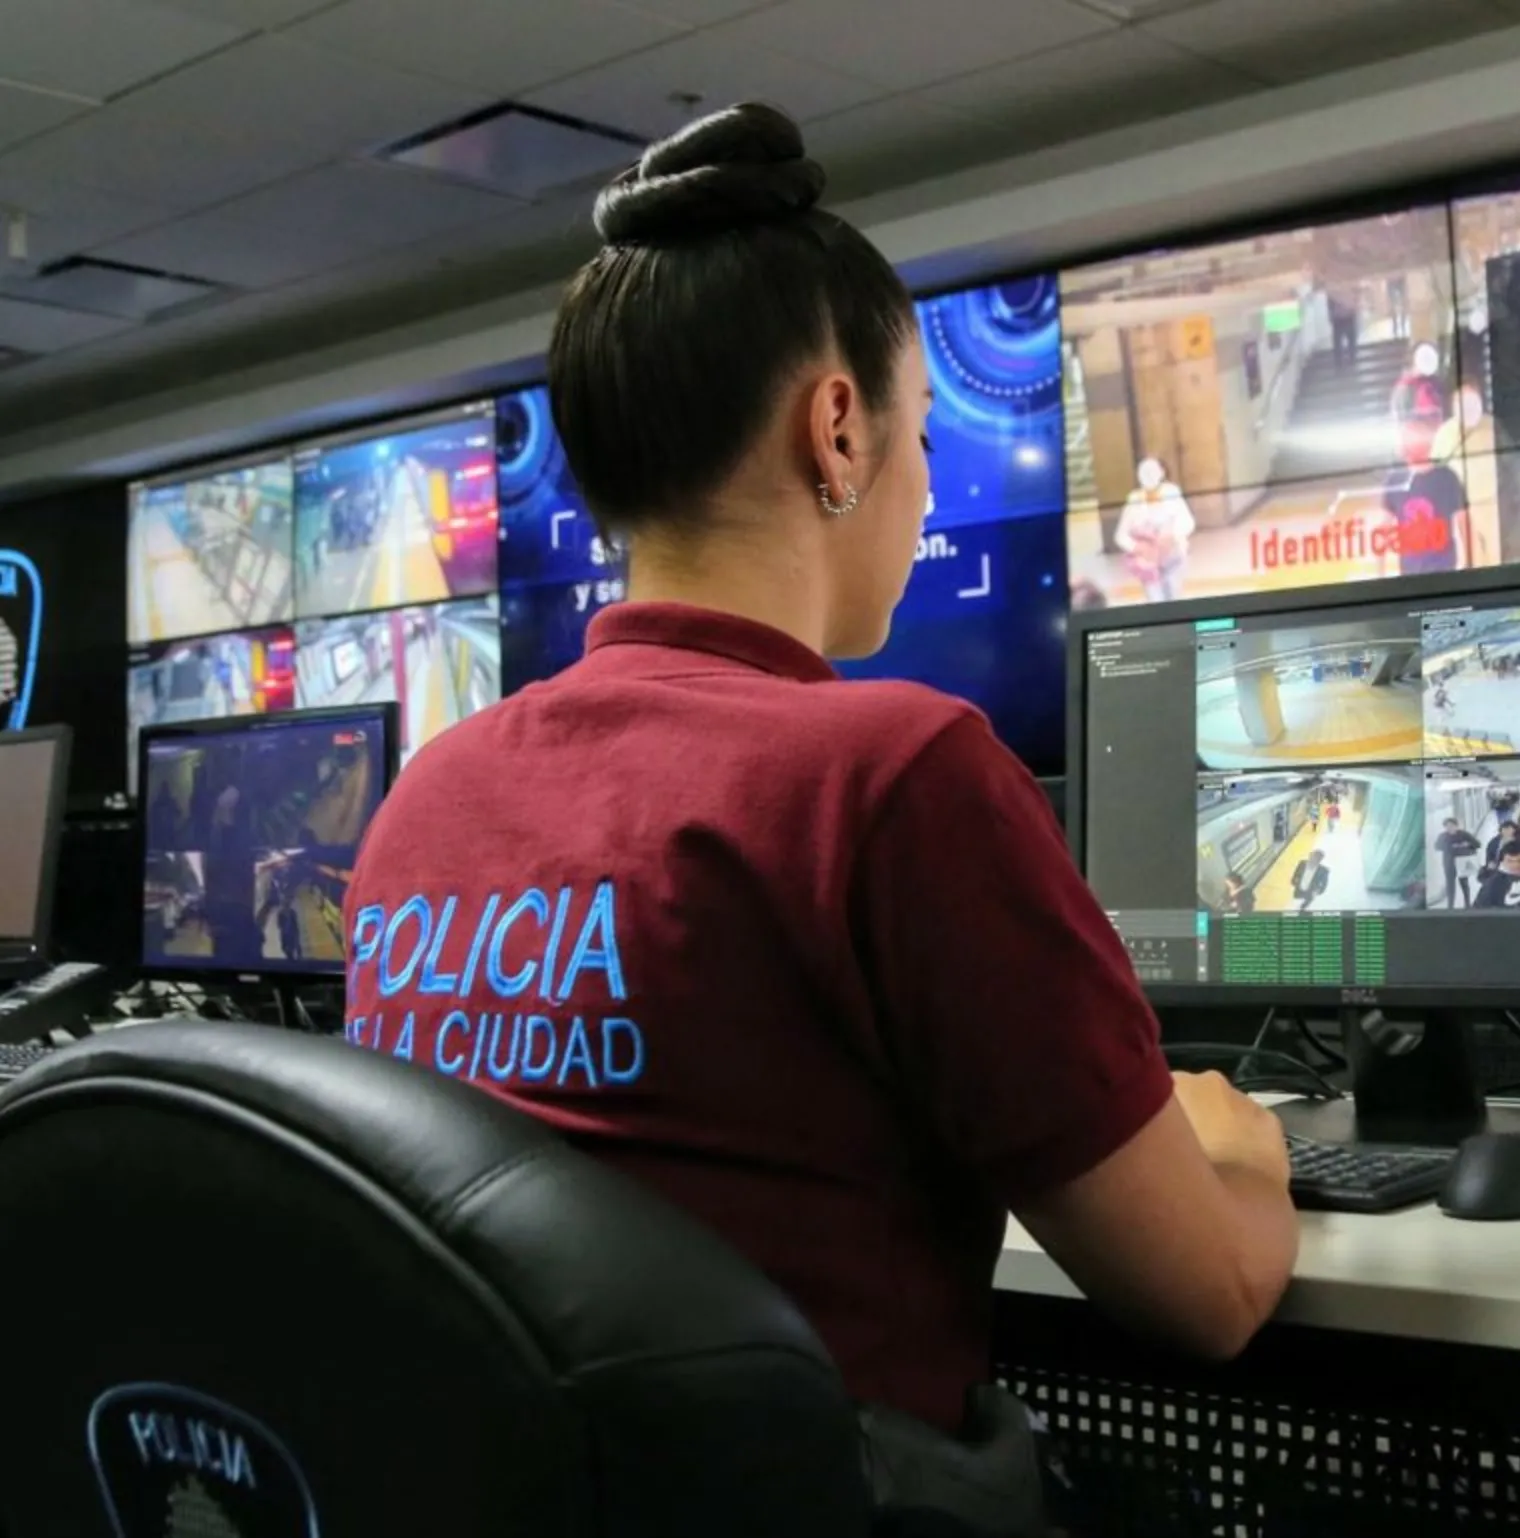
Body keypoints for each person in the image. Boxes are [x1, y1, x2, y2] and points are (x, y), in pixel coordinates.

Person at [339, 105, 1296, 1443]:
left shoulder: (425, 797)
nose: (923, 477)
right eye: (919, 433)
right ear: (836, 430)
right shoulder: (896, 775)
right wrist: (1247, 1148)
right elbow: (1212, 1289)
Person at [1116, 457, 1196, 604]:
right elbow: (1121, 536)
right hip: (1148, 564)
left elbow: (1188, 522)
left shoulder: (1172, 493)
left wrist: (1172, 536)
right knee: (1155, 601)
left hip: (1173, 558)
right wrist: (1138, 547)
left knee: (1174, 598)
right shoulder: (1134, 500)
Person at [1434, 817, 1480, 908]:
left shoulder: (1464, 834)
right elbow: (1437, 846)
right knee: (1450, 885)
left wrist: (1468, 844)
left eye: (1452, 826)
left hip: (1462, 863)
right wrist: (1450, 846)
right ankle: (1450, 906)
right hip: (1449, 863)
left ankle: (1467, 904)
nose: (1449, 828)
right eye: (1447, 826)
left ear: (1456, 826)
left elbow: (1477, 844)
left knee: (1464, 884)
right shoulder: (1443, 836)